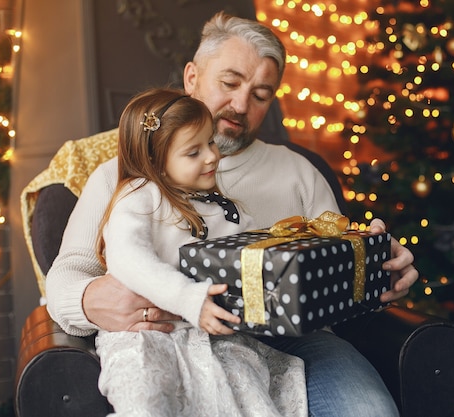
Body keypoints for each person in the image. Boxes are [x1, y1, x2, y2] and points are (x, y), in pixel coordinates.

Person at [46, 11, 419, 417]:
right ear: (191, 78)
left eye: (261, 95)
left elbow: (335, 259)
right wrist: (89, 300)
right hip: (171, 332)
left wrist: (378, 267)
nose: (241, 105)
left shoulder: (299, 172)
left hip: (296, 338)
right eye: (229, 83)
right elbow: (66, 274)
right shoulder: (127, 175)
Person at [94, 87, 307, 416]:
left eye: (210, 142)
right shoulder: (139, 196)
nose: (211, 156)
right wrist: (186, 298)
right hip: (148, 335)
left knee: (249, 399)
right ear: (156, 162)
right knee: (145, 397)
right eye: (193, 152)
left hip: (216, 337)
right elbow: (127, 257)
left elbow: (253, 256)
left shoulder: (224, 209)